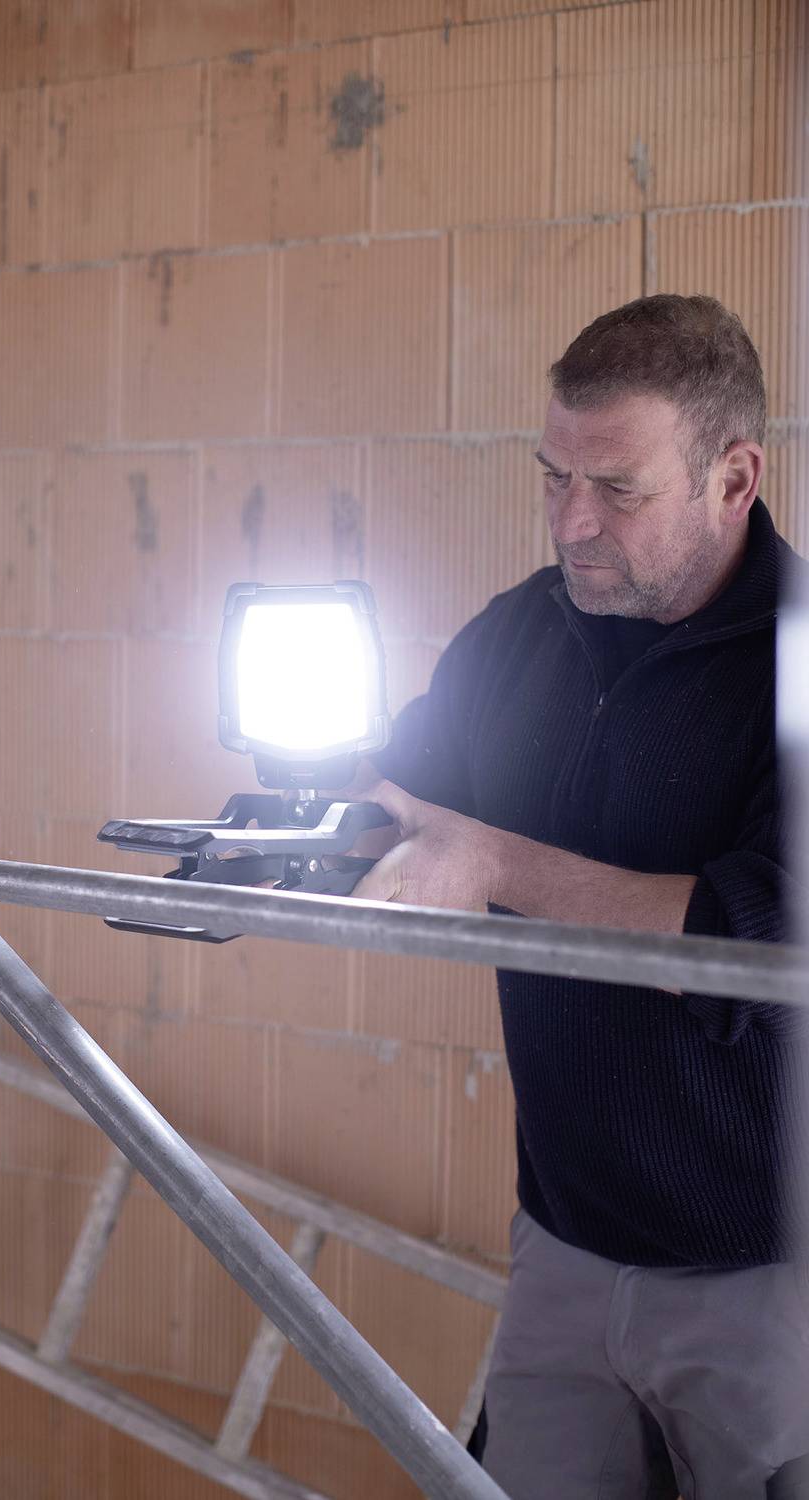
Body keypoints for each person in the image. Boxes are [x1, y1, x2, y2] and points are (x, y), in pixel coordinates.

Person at [353, 295, 809, 1499]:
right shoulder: (518, 636)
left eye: (617, 489)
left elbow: (755, 943)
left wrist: (495, 867)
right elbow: (399, 808)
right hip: (561, 1244)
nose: (571, 523)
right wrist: (256, 851)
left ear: (734, 476)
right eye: (553, 476)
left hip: (767, 1278)